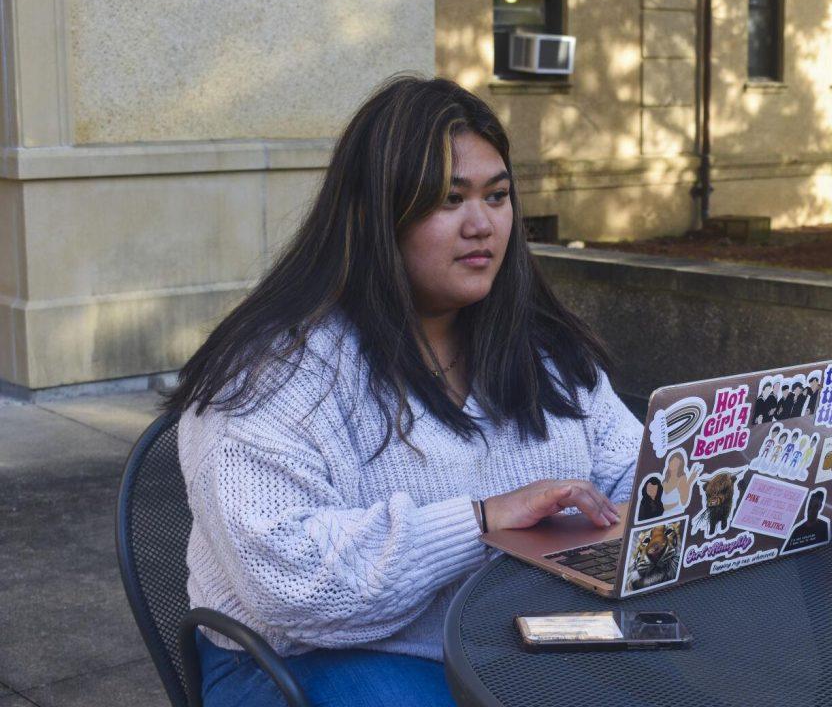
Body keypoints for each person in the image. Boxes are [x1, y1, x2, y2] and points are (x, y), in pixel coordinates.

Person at [165, 76, 643, 707]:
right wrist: (482, 519)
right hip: (311, 658)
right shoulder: (271, 373)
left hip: (515, 640)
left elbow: (629, 466)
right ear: (375, 213)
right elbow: (291, 581)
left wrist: (666, 501)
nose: (482, 225)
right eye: (449, 200)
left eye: (497, 197)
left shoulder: (542, 349)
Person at [660, 449, 700, 516]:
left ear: (680, 465)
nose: (673, 464)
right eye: (672, 461)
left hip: (676, 514)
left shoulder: (682, 479)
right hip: (663, 516)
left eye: (676, 462)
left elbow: (684, 501)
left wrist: (689, 482)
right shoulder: (664, 481)